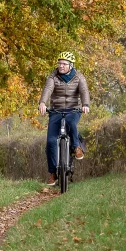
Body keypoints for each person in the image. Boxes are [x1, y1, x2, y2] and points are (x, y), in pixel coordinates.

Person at [38, 51, 90, 186]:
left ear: (70, 66)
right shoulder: (53, 76)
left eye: (64, 64)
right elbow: (48, 89)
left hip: (73, 110)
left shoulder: (79, 77)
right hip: (56, 111)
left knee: (71, 123)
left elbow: (84, 91)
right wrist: (42, 103)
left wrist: (85, 105)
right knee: (50, 142)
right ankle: (53, 172)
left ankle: (76, 147)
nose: (61, 66)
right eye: (59, 63)